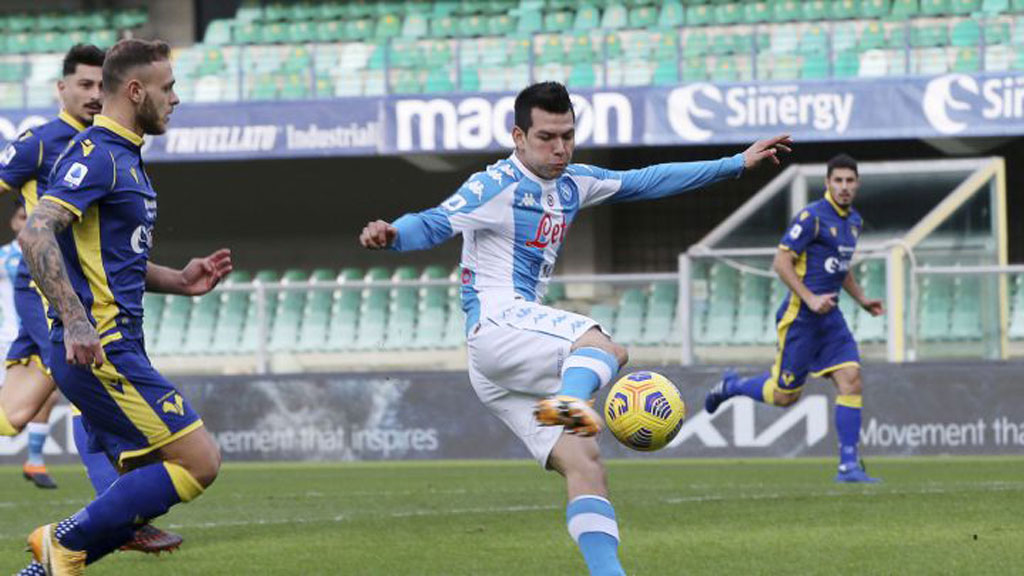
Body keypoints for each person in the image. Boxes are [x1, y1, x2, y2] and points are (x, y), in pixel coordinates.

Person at [360, 81, 791, 576]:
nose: (560, 147)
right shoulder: (495, 185)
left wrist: (736, 162)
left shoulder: (572, 182)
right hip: (498, 322)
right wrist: (393, 235)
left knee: (585, 465)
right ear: (518, 136)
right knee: (602, 346)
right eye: (547, 137)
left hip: (502, 370)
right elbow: (435, 222)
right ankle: (569, 401)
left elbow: (648, 180)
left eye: (567, 135)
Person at [17, 38, 231, 575]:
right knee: (199, 461)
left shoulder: (125, 159)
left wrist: (178, 280)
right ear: (136, 91)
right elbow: (37, 233)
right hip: (102, 348)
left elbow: (112, 263)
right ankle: (63, 540)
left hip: (117, 344)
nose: (176, 99)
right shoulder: (98, 156)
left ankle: (47, 566)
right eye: (168, 88)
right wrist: (75, 320)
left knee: (149, 482)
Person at [704, 153, 884, 484]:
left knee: (851, 379)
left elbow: (840, 270)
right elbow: (781, 263)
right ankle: (732, 386)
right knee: (784, 396)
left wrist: (862, 300)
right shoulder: (812, 217)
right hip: (800, 317)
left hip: (831, 320)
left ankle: (848, 466)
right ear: (828, 183)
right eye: (838, 180)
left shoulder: (853, 222)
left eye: (850, 181)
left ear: (857, 184)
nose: (844, 187)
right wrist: (811, 298)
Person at [0, 206, 62, 487]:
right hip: (9, 338)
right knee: (11, 416)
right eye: (24, 217)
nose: (29, 223)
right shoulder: (8, 257)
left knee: (49, 395)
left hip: (33, 334)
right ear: (14, 222)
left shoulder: (46, 252)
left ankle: (35, 460)